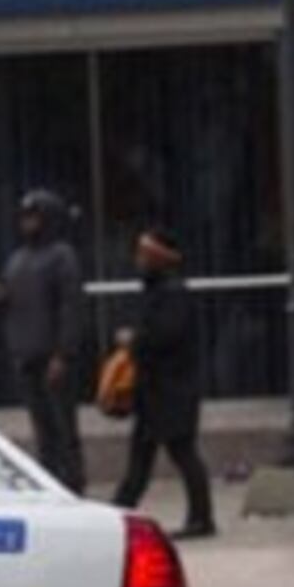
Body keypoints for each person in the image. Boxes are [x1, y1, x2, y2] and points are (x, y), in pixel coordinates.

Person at [111, 228, 217, 540]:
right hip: (156, 391)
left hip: (171, 391)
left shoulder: (173, 293)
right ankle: (119, 513)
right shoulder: (158, 292)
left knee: (180, 453)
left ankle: (200, 518)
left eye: (145, 255)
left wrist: (135, 340)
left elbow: (165, 335)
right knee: (143, 458)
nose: (138, 261)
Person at [0, 188, 88, 490]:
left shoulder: (62, 256)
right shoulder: (17, 259)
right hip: (26, 355)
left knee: (62, 426)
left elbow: (70, 307)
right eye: (25, 218)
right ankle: (49, 480)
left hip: (52, 357)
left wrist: (64, 353)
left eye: (34, 217)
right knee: (42, 427)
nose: (27, 224)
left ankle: (72, 481)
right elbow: (8, 302)